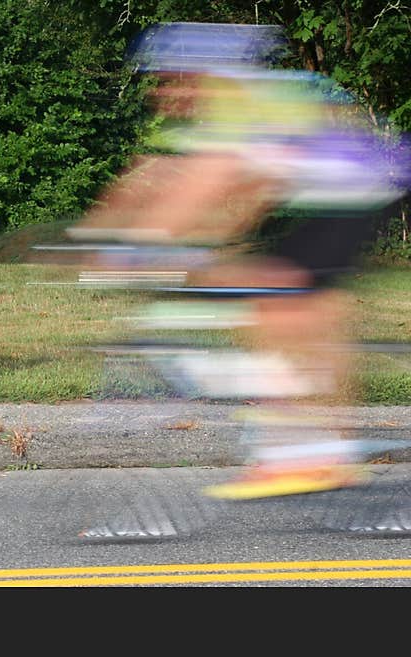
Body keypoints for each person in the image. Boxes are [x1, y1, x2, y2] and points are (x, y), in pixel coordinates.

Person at [67, 22, 410, 499]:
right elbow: (157, 175)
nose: (162, 92)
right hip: (321, 192)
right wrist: (88, 233)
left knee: (280, 295)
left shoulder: (234, 101)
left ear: (197, 76)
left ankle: (314, 453)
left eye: (168, 79)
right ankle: (306, 437)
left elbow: (207, 186)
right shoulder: (212, 112)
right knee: (264, 294)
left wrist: (149, 243)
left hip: (361, 186)